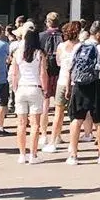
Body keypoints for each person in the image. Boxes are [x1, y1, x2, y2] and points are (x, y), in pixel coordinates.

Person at [66, 20, 100, 165]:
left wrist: (69, 86)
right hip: (95, 85)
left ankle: (73, 155)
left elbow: (70, 67)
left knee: (76, 119)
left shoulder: (78, 46)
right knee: (99, 121)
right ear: (98, 33)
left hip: (79, 85)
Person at [43, 21, 81, 153]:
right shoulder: (81, 47)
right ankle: (72, 144)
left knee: (58, 113)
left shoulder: (61, 46)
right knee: (74, 115)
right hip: (76, 83)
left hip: (62, 81)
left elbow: (58, 63)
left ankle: (53, 141)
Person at [9, 26, 45, 164]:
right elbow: (43, 73)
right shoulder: (39, 54)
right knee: (35, 124)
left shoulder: (17, 52)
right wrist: (45, 88)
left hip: (21, 88)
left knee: (21, 123)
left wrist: (15, 88)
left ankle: (22, 154)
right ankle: (33, 154)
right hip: (35, 87)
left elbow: (14, 73)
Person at [38, 12, 62, 141]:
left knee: (45, 105)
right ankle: (57, 135)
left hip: (45, 72)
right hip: (60, 72)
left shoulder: (41, 37)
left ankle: (43, 134)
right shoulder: (63, 37)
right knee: (59, 106)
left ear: (47, 22)